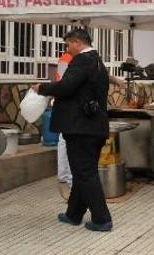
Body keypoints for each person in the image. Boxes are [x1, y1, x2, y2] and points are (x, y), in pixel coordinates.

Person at [33, 28, 112, 232]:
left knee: (85, 172)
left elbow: (66, 86)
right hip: (94, 127)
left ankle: (102, 219)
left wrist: (42, 88)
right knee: (82, 171)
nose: (68, 49)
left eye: (68, 44)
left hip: (81, 128)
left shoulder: (82, 60)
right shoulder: (98, 62)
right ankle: (73, 214)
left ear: (77, 42)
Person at [54, 52, 74, 199]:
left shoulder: (65, 58)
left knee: (63, 139)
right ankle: (67, 178)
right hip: (67, 103)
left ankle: (64, 176)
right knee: (65, 140)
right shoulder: (69, 58)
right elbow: (65, 83)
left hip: (63, 101)